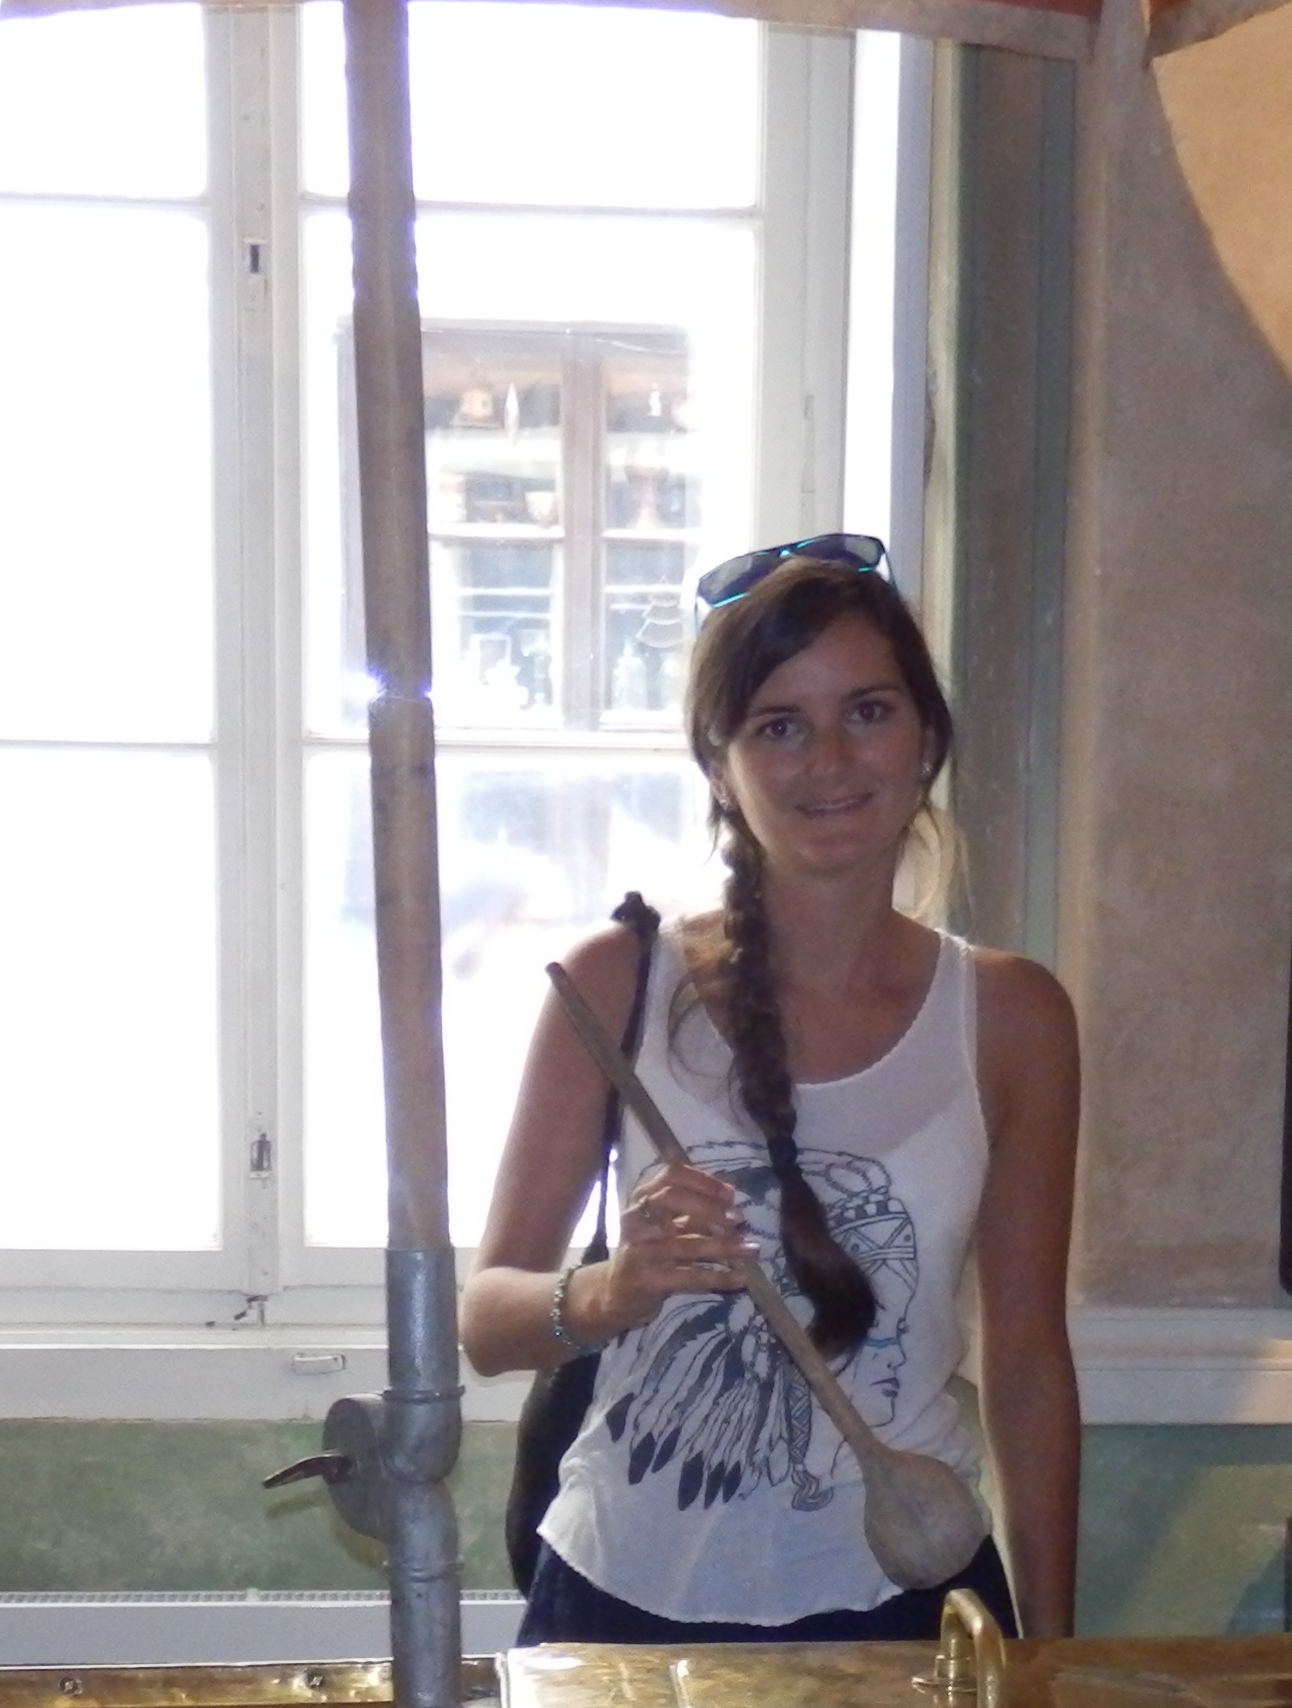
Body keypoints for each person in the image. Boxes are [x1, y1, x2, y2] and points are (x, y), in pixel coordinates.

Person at [463, 542, 1084, 1645]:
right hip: (621, 1603)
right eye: (779, 726)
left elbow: (1027, 1364)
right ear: (720, 767)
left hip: (909, 1598)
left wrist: (1053, 1657)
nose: (829, 760)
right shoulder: (617, 984)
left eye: (868, 712)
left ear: (926, 739)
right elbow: (487, 1322)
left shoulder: (1013, 1016)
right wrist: (614, 1290)